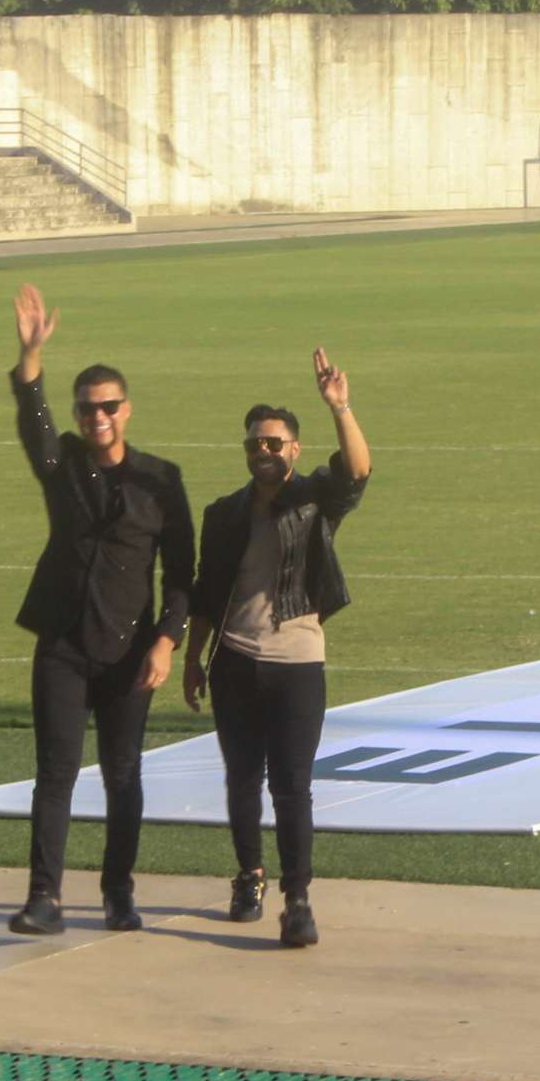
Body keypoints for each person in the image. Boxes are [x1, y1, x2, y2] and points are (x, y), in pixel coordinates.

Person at [5, 283, 194, 936]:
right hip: (61, 640)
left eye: (108, 406)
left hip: (129, 650)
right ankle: (44, 896)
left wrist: (167, 641)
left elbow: (183, 575)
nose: (97, 417)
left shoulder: (161, 480)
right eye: (87, 409)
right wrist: (31, 357)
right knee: (54, 770)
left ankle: (118, 891)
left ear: (127, 409)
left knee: (122, 774)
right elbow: (33, 419)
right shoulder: (63, 465)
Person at [183, 349, 372, 949]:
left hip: (297, 664)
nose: (263, 452)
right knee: (242, 778)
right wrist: (194, 658)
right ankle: (249, 877)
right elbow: (207, 591)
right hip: (236, 661)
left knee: (291, 785)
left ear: (294, 449)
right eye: (254, 444)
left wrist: (340, 406)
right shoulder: (224, 514)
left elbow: (358, 471)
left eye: (274, 443)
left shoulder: (312, 500)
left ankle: (299, 899)